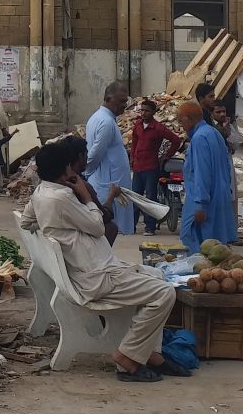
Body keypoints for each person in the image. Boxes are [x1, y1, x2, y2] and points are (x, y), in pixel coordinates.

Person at [22, 136, 183, 383]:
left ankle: (149, 353)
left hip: (92, 271)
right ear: (65, 170)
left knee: (157, 276)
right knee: (165, 293)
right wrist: (85, 197)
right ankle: (127, 357)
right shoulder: (61, 198)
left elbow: (26, 221)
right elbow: (98, 226)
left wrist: (55, 228)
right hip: (97, 279)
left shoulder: (41, 192)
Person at [177, 101, 235, 254]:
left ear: (188, 119)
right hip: (220, 196)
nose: (181, 126)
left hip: (203, 200)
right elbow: (227, 167)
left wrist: (200, 205)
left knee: (192, 240)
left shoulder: (199, 138)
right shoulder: (214, 133)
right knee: (216, 247)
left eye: (181, 121)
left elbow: (202, 172)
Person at [129, 98, 185, 236]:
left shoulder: (158, 128)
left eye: (147, 111)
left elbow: (176, 140)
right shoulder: (138, 125)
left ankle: (150, 227)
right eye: (142, 110)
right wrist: (132, 157)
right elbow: (134, 142)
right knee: (135, 197)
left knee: (150, 198)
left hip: (151, 167)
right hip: (138, 166)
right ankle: (131, 226)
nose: (143, 113)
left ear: (153, 112)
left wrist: (167, 155)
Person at [84, 83, 134, 236]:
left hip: (107, 182)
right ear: (108, 99)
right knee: (110, 230)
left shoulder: (100, 118)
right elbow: (94, 154)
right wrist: (86, 174)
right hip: (107, 185)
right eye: (121, 101)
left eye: (125, 101)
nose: (124, 105)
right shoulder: (106, 122)